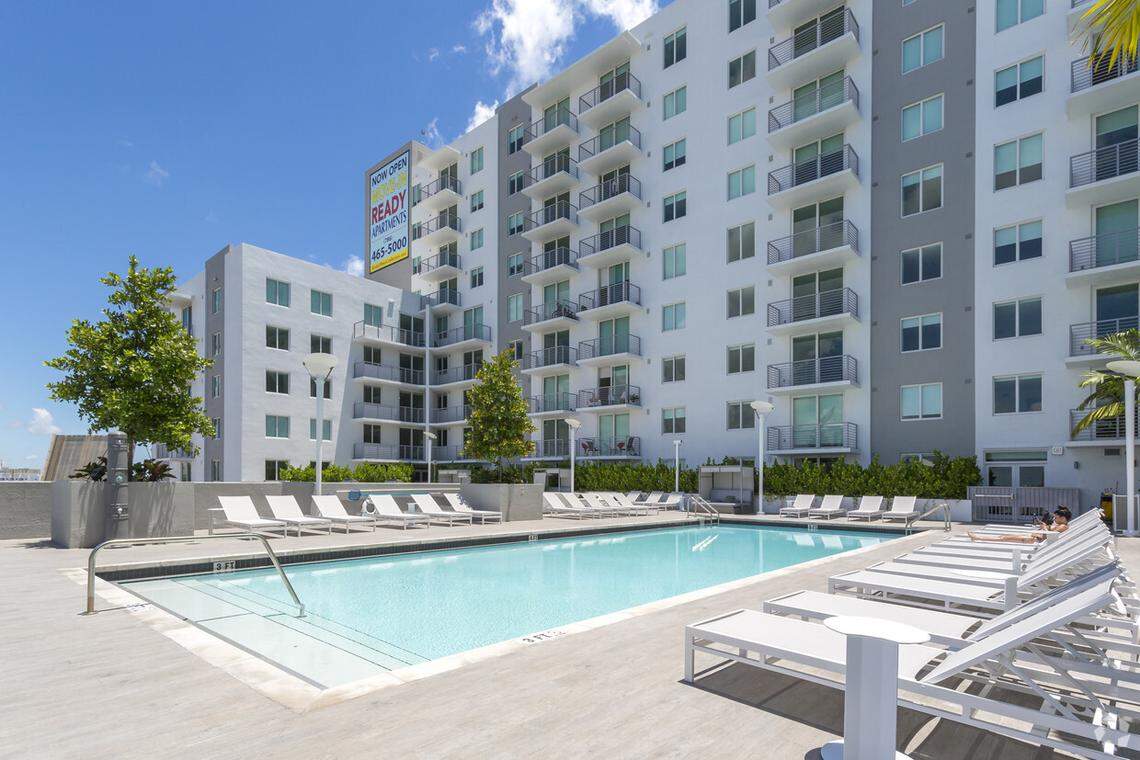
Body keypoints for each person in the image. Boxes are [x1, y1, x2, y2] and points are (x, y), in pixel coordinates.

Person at [967, 506, 1071, 544]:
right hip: (1033, 537)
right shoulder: (1060, 525)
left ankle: (977, 537)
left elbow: (1049, 536)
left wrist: (1044, 527)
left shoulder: (1063, 526)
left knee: (1004, 538)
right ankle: (977, 537)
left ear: (1063, 518)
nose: (1054, 519)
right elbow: (1048, 532)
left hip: (1034, 540)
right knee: (1004, 536)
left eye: (1056, 517)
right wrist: (1043, 525)